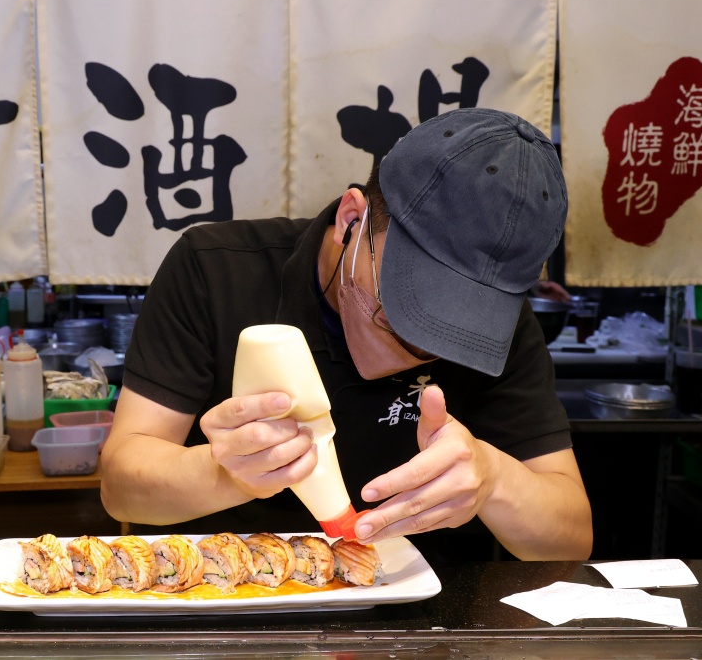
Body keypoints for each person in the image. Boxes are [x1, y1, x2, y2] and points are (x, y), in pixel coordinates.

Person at [100, 108, 592, 561]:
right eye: (396, 313)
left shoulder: (499, 324)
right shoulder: (215, 269)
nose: (412, 354)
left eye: (449, 334)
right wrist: (224, 471)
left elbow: (570, 541)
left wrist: (493, 478)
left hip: (428, 623)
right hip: (226, 598)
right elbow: (121, 485)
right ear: (350, 220)